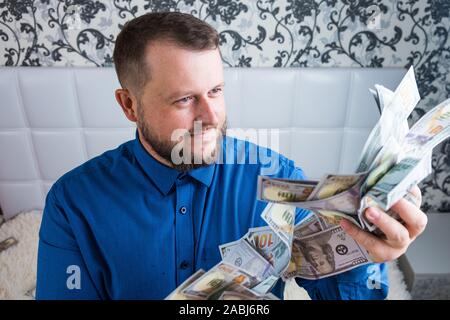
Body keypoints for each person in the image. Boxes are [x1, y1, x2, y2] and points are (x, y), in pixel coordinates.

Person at [36, 12, 427, 300]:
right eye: (185, 99)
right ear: (129, 105)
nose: (211, 117)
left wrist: (366, 252)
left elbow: (341, 292)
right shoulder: (73, 204)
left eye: (217, 91)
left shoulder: (278, 180)